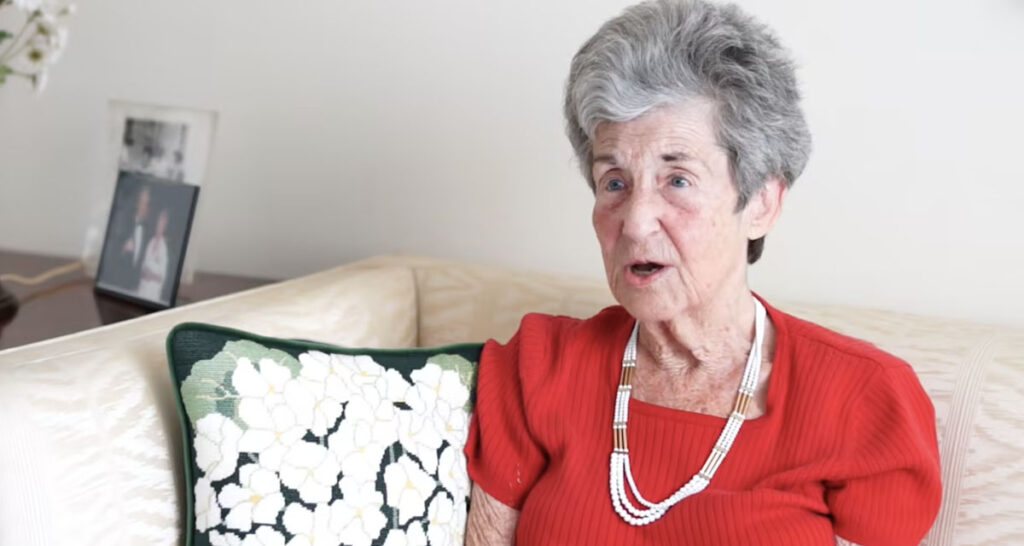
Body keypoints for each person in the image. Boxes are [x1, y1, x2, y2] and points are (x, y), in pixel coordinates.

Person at [463, 1, 941, 544]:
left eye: (678, 180)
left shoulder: (861, 400)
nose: (637, 221)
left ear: (760, 203)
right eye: (614, 181)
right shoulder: (538, 369)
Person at [137, 209, 170, 302]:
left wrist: (151, 275)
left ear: (165, 225)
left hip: (153, 295)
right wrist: (144, 272)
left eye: (162, 222)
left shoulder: (164, 248)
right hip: (141, 290)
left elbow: (162, 278)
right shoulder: (150, 242)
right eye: (158, 221)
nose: (159, 225)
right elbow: (143, 267)